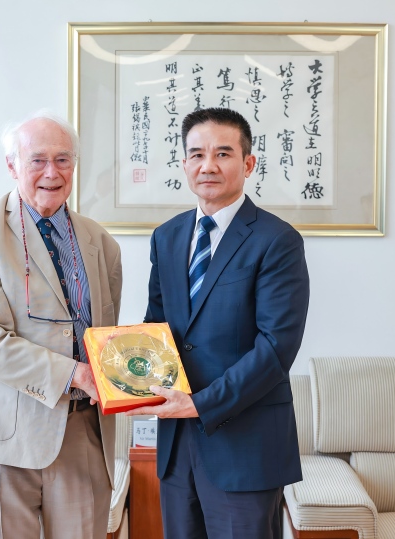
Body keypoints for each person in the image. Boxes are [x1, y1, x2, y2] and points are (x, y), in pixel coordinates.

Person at [127, 107, 310, 539]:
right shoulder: (167, 236)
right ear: (184, 164)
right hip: (176, 446)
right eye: (197, 154)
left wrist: (200, 404)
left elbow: (276, 348)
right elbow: (157, 327)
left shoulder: (277, 240)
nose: (208, 165)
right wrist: (122, 376)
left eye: (223, 154)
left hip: (246, 446)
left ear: (248, 163)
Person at [0, 110, 122, 539]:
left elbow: (104, 339)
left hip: (82, 431)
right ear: (12, 166)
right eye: (38, 160)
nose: (51, 172)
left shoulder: (101, 242)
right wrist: (76, 374)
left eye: (63, 160)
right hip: (3, 432)